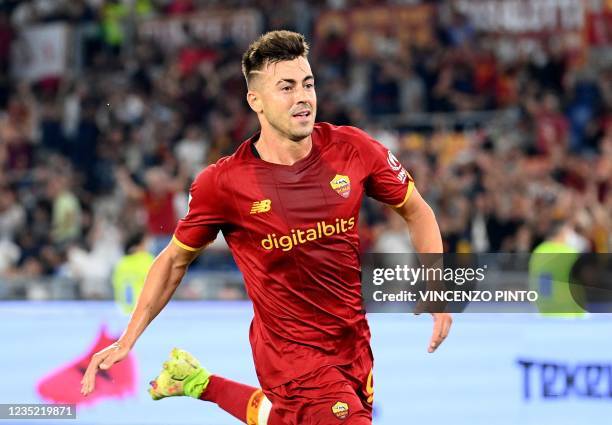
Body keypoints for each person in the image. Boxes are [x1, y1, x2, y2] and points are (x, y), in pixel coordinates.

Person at [81, 30, 452, 424]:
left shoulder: (353, 149)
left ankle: (197, 383)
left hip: (352, 346)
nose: (302, 98)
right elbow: (174, 260)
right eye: (286, 87)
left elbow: (418, 211)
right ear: (255, 100)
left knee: (291, 419)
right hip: (289, 358)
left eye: (308, 84)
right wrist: (128, 338)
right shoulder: (224, 183)